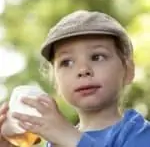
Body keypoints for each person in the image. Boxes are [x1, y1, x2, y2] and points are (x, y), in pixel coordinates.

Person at [0, 10, 150, 147]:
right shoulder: (56, 141)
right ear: (56, 83)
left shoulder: (139, 133)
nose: (83, 70)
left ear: (128, 70)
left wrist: (69, 137)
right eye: (67, 62)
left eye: (97, 57)